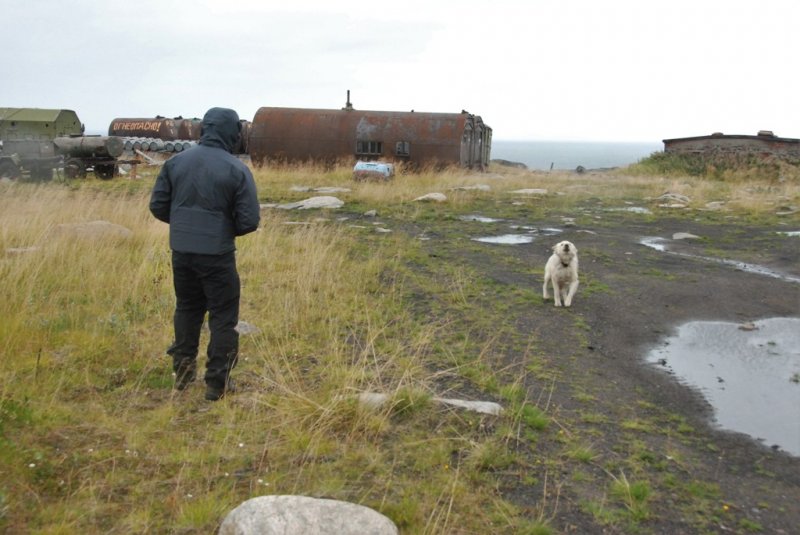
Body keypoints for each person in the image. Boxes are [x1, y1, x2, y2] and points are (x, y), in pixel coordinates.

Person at [149, 107, 260, 401]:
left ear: (204, 129)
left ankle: (183, 376)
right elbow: (249, 221)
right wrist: (218, 230)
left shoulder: (175, 163)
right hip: (218, 255)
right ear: (232, 133)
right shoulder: (237, 169)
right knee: (223, 318)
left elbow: (159, 206)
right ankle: (216, 384)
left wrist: (188, 227)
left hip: (182, 252)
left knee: (187, 309)